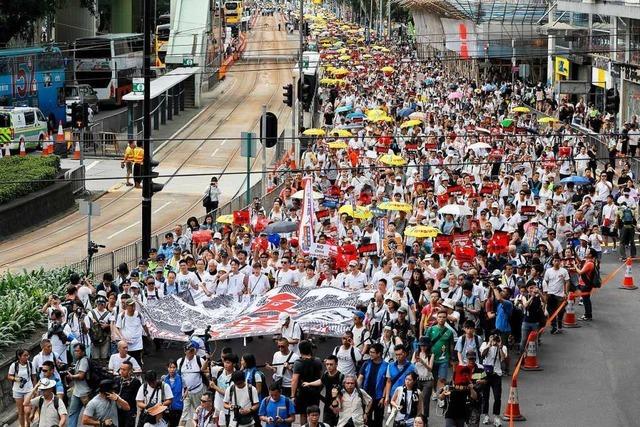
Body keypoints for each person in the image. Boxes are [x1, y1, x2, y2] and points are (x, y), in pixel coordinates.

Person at [291, 340, 323, 425]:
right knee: (314, 413)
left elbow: (294, 380)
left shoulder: (298, 363)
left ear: (300, 350)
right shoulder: (318, 361)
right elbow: (320, 377)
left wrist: (293, 395)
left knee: (303, 414)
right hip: (315, 392)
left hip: (302, 392)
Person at [177, 342, 209, 426]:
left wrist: (206, 364)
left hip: (199, 390)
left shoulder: (199, 360)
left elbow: (207, 371)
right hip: (187, 392)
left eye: (193, 350)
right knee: (184, 414)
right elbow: (181, 377)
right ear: (185, 351)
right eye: (190, 351)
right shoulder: (180, 361)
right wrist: (185, 389)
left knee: (200, 412)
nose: (192, 352)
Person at [479, 333, 507, 426]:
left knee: (497, 397)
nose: (494, 340)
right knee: (485, 396)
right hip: (486, 374)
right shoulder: (484, 344)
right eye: (492, 337)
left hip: (497, 374)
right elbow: (482, 354)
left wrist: (499, 347)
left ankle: (496, 416)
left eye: (496, 338)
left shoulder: (503, 347)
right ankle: (486, 415)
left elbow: (503, 358)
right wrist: (489, 344)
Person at [358, 343, 388, 427]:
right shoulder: (366, 364)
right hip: (366, 397)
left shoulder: (386, 366)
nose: (370, 354)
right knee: (366, 419)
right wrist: (355, 389)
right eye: (370, 352)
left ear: (379, 353)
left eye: (372, 352)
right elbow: (360, 378)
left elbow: (387, 383)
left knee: (378, 420)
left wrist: (383, 397)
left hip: (379, 398)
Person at [114, 298, 148, 365]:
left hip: (137, 344)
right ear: (126, 307)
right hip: (126, 345)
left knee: (137, 362)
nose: (133, 307)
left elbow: (144, 325)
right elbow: (116, 328)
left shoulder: (139, 315)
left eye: (133, 305)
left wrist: (148, 335)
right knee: (126, 363)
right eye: (130, 306)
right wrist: (121, 338)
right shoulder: (121, 315)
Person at [8, 349, 36, 427]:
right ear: (19, 356)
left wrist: (35, 389)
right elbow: (9, 376)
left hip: (29, 390)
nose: (27, 357)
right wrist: (16, 379)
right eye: (25, 355)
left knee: (27, 411)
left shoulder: (30, 364)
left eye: (28, 355)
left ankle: (28, 425)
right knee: (21, 412)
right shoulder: (14, 365)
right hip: (17, 391)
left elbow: (34, 377)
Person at [66, 343, 91, 427]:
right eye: (75, 351)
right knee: (72, 413)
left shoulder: (84, 360)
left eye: (77, 351)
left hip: (84, 393)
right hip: (77, 392)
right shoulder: (78, 361)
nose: (75, 353)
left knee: (90, 415)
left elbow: (81, 375)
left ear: (83, 351)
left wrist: (72, 376)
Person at [411, 337, 433, 424]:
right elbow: (411, 365)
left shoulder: (431, 354)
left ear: (428, 346)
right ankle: (416, 419)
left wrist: (423, 362)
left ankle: (425, 419)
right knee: (416, 398)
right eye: (421, 346)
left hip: (428, 379)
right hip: (418, 379)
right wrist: (415, 362)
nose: (422, 347)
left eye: (424, 346)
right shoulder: (416, 353)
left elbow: (430, 369)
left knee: (425, 399)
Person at [114, 361, 141, 427]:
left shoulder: (135, 382)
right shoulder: (117, 380)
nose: (121, 371)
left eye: (124, 370)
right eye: (120, 369)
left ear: (130, 371)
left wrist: (136, 412)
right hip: (118, 411)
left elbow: (139, 398)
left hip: (130, 411)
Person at [575, 248, 598, 321]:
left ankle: (587, 315)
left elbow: (580, 272)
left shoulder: (589, 263)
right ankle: (588, 314)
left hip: (586, 284)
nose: (586, 252)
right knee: (586, 299)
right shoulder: (589, 261)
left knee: (586, 300)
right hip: (585, 284)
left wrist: (575, 266)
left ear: (590, 254)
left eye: (587, 252)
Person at [163, 360, 184, 427]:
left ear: (176, 368)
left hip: (178, 407)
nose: (172, 369)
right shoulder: (164, 379)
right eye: (170, 367)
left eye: (174, 367)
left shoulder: (181, 378)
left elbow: (186, 388)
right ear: (167, 368)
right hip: (166, 408)